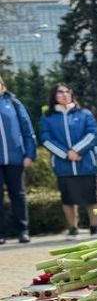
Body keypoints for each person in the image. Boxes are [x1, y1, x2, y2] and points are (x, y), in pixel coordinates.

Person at [40, 83, 97, 237]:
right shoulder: (48, 118)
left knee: (91, 198)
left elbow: (93, 134)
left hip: (86, 163)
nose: (64, 95)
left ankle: (94, 228)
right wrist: (66, 154)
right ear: (54, 96)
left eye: (67, 92)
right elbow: (46, 139)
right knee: (68, 199)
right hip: (63, 166)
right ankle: (73, 228)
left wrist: (77, 150)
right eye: (60, 92)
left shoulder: (84, 114)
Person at [0, 76, 36, 244]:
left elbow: (27, 130)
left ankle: (23, 231)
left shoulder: (14, 103)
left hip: (16, 158)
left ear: (3, 85)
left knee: (18, 195)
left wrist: (29, 154)